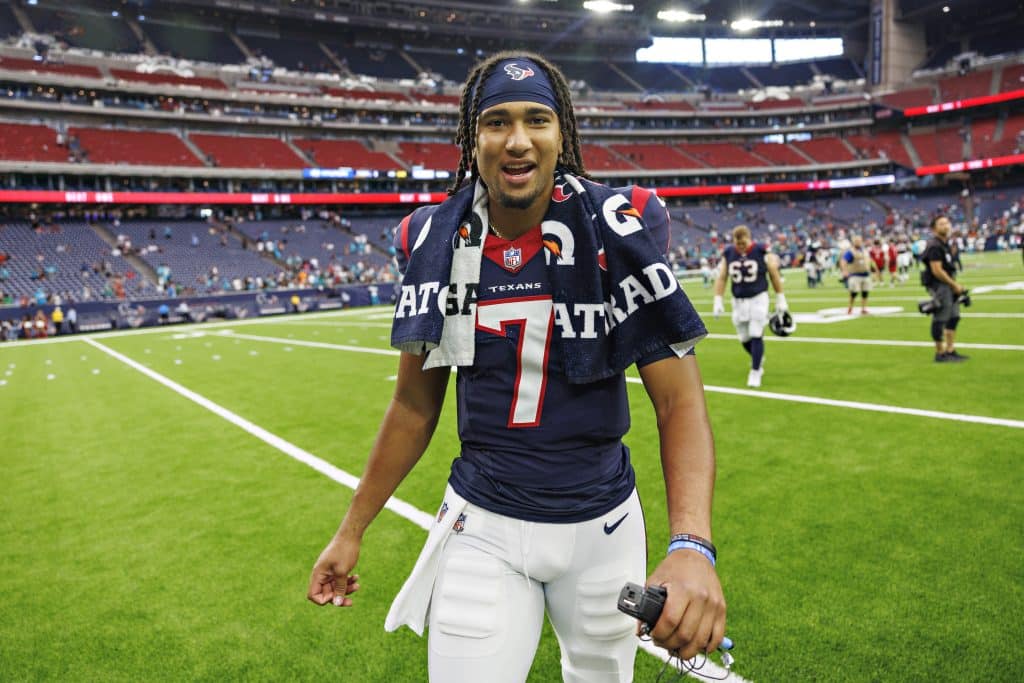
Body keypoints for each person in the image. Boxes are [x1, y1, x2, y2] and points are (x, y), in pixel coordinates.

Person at [307, 51, 726, 683]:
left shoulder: (620, 222)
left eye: (537, 120)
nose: (518, 140)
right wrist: (351, 529)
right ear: (472, 138)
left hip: (603, 528)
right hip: (484, 525)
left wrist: (691, 545)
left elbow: (679, 402)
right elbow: (414, 407)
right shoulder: (433, 235)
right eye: (497, 121)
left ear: (564, 134)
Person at [712, 225, 787, 388]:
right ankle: (757, 358)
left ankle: (755, 370)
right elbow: (722, 277)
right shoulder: (729, 253)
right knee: (744, 338)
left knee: (755, 332)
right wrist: (718, 299)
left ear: (749, 238)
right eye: (738, 244)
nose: (741, 247)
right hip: (738, 300)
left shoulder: (761, 250)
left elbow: (773, 273)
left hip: (758, 298)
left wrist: (780, 297)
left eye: (743, 243)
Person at [921, 215, 969, 362]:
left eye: (947, 223)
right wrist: (954, 285)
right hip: (939, 285)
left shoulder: (944, 244)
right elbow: (937, 270)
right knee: (940, 318)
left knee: (954, 317)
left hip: (948, 283)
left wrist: (955, 285)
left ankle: (950, 349)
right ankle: (940, 353)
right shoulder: (934, 245)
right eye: (941, 224)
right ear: (934, 228)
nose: (946, 226)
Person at [839, 235, 872, 315]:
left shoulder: (864, 250)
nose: (858, 242)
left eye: (859, 241)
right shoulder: (850, 252)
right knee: (854, 293)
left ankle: (863, 308)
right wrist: (844, 271)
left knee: (865, 292)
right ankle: (850, 307)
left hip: (865, 274)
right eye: (857, 241)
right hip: (855, 274)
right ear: (854, 242)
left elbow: (868, 261)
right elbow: (843, 261)